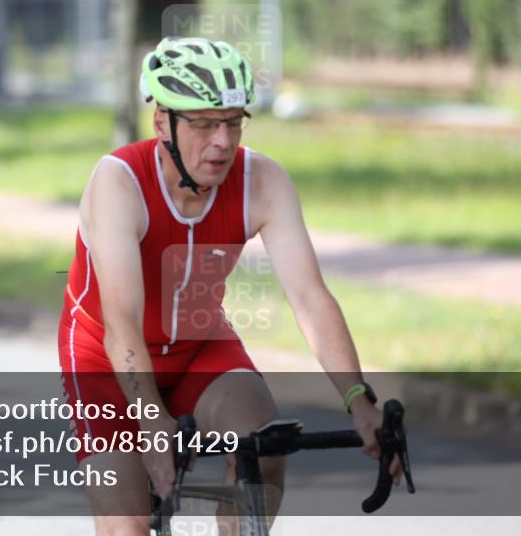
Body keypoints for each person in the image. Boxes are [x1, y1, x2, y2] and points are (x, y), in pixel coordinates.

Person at [59, 36, 402, 535]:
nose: (222, 140)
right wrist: (153, 427)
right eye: (202, 124)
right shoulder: (119, 183)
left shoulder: (262, 181)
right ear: (162, 123)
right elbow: (122, 325)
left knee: (262, 448)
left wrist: (359, 400)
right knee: (126, 524)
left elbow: (309, 298)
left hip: (199, 344)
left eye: (233, 122)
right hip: (106, 356)